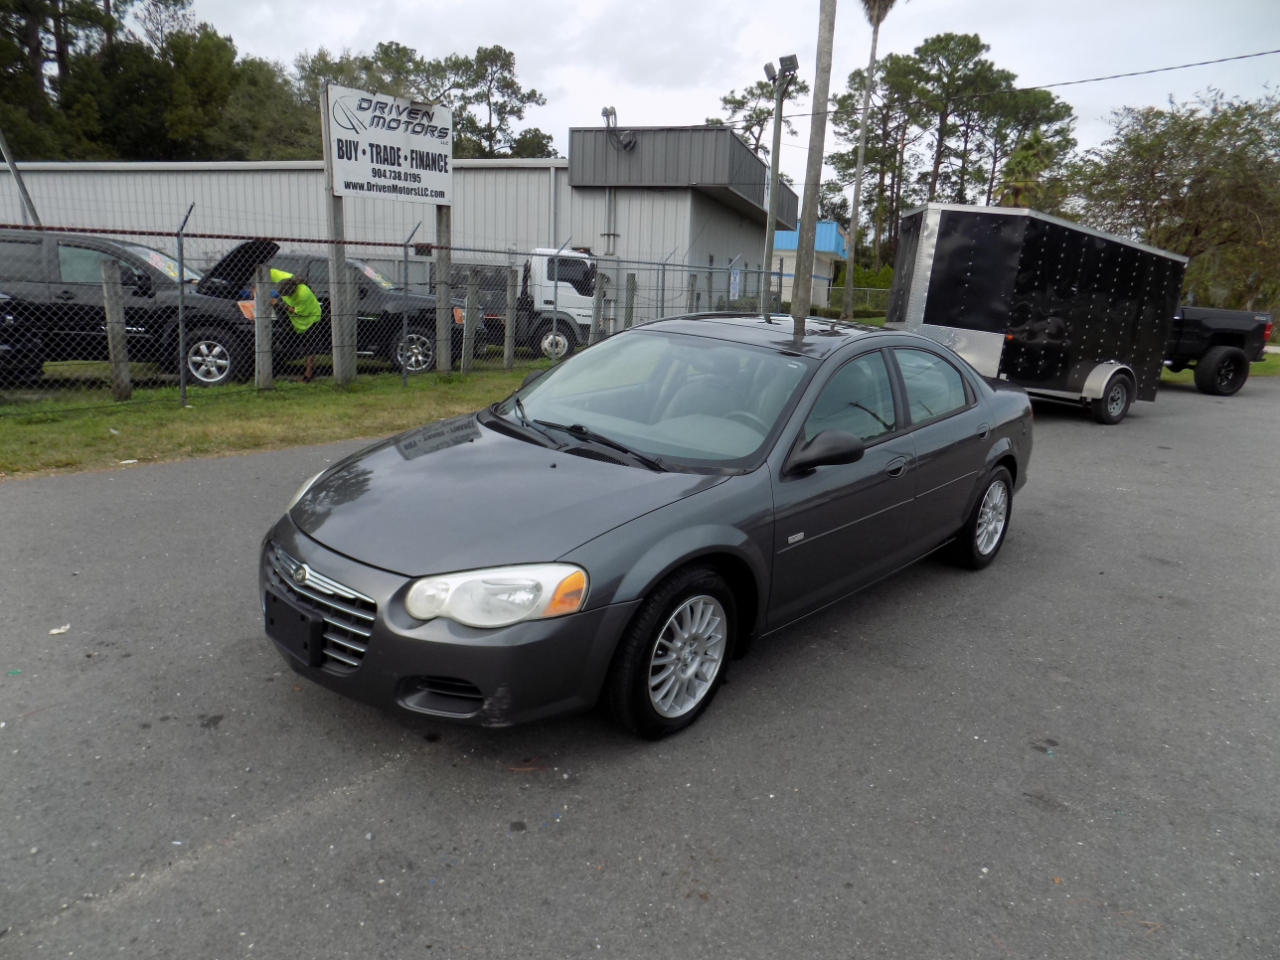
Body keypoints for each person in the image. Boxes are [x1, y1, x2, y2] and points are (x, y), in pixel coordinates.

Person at [267, 268, 323, 382]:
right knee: (283, 343)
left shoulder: (303, 294)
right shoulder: (285, 278)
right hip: (294, 321)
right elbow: (269, 272)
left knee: (310, 348)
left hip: (310, 319)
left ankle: (308, 375)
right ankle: (273, 371)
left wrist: (278, 303)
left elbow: (297, 311)